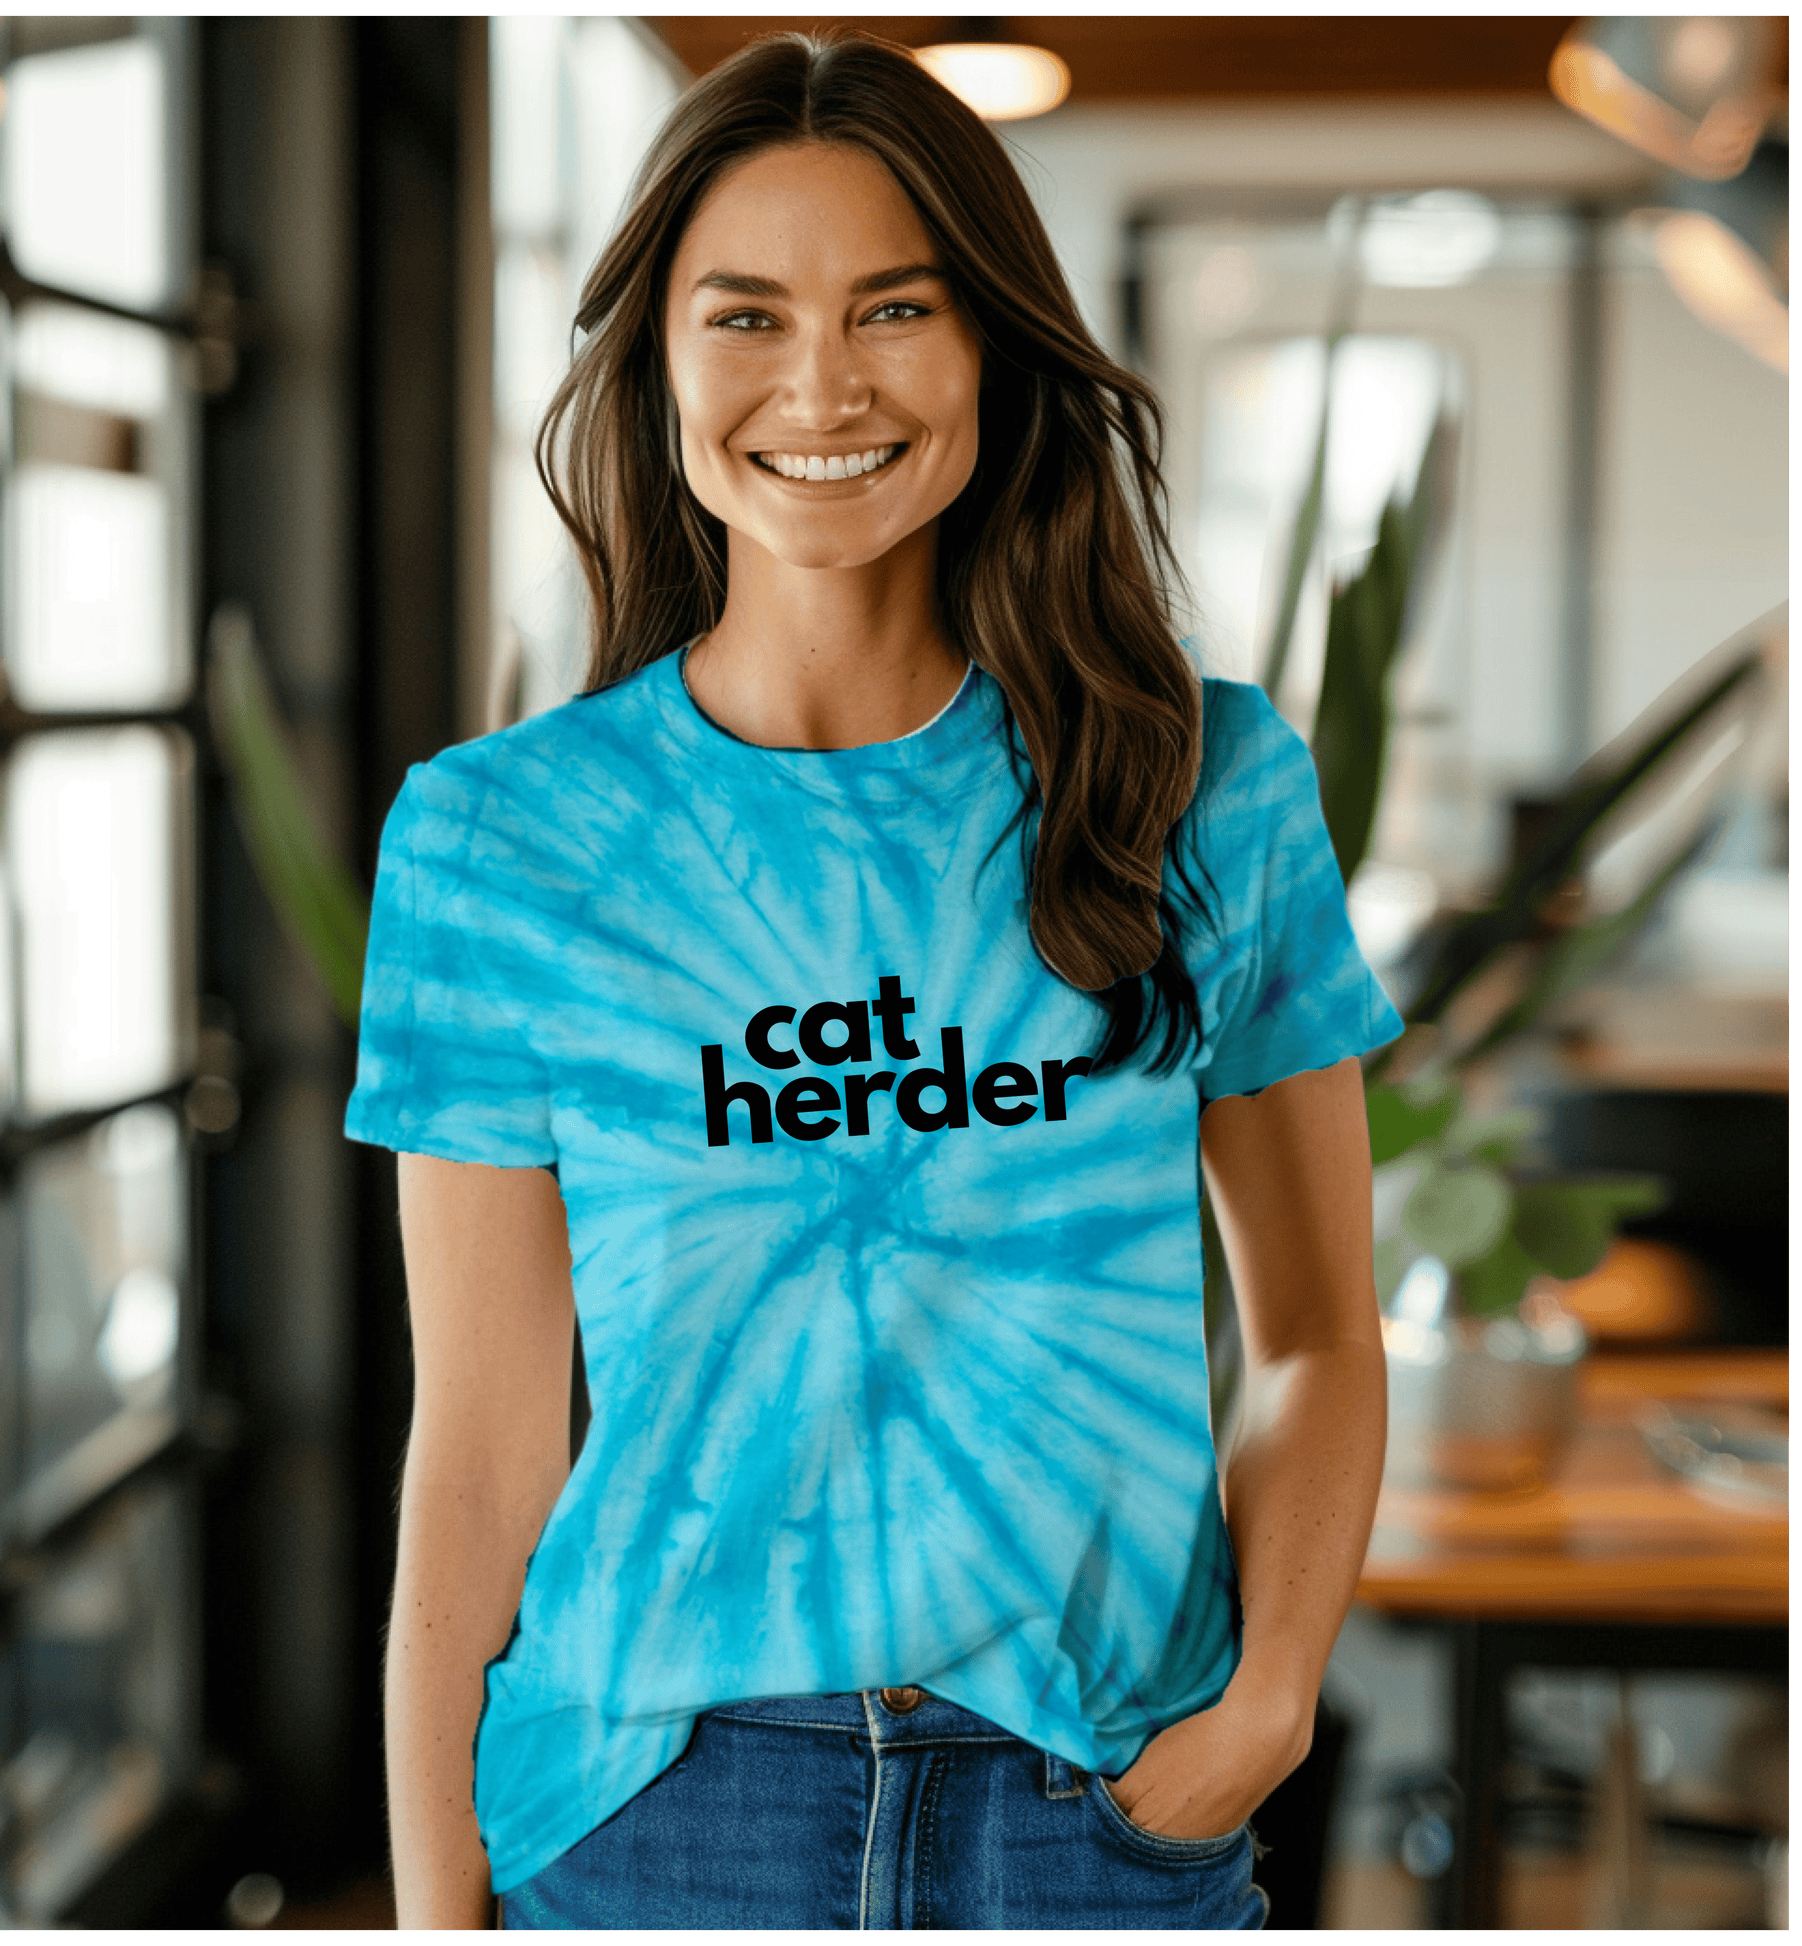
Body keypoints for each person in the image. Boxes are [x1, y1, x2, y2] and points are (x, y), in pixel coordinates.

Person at [346, 29, 1401, 1933]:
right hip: (649, 1813)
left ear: (991, 342)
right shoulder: (499, 837)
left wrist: (1263, 1705)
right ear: (659, 365)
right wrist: (434, 1903)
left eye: (893, 309)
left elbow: (1320, 1331)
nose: (819, 383)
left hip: (1098, 1804)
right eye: (742, 317)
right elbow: (484, 1442)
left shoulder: (1202, 786)